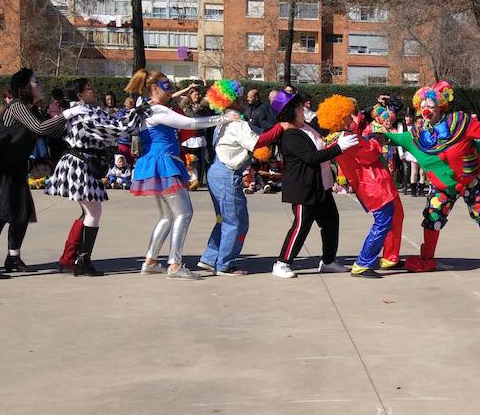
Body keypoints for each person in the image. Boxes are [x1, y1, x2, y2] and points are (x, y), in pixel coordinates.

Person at [379, 81, 480, 274]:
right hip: (443, 186)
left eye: (431, 105)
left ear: (441, 106)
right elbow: (394, 138)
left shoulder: (460, 123)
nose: (426, 109)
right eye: (423, 106)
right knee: (432, 216)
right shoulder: (417, 135)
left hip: (473, 179)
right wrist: (373, 134)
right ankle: (427, 258)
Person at [0, 69, 65, 279]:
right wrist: (66, 115)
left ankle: (13, 258)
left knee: (20, 213)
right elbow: (40, 127)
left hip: (15, 166)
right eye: (35, 82)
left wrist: (70, 120)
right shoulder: (18, 107)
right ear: (24, 88)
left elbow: (50, 130)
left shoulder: (31, 108)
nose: (40, 85)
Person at [45, 79, 151, 277]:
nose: (94, 90)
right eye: (89, 89)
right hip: (80, 164)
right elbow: (114, 129)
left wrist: (137, 110)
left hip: (85, 163)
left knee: (89, 212)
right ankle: (82, 260)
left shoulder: (90, 109)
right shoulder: (82, 114)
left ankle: (70, 259)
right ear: (79, 95)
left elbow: (113, 123)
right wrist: (138, 112)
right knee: (93, 212)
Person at [125, 70, 223, 280]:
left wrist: (178, 93)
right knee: (184, 213)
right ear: (153, 88)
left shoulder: (145, 108)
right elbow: (192, 124)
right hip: (164, 163)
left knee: (167, 216)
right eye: (166, 85)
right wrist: (223, 118)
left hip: (155, 164)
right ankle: (175, 265)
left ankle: (151, 261)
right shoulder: (159, 111)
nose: (171, 89)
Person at [197, 81, 284, 276]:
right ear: (232, 99)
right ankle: (224, 264)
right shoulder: (238, 123)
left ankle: (210, 259)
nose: (244, 99)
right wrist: (280, 128)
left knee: (223, 218)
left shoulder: (223, 121)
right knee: (236, 221)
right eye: (241, 96)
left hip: (216, 172)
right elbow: (257, 142)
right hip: (228, 174)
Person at [272, 90, 359, 278]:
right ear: (290, 112)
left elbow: (325, 132)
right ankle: (282, 263)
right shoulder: (290, 135)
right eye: (298, 107)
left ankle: (328, 261)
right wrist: (339, 147)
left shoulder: (306, 127)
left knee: (331, 221)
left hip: (321, 186)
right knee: (301, 225)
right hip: (304, 188)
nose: (302, 109)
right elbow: (311, 157)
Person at [317, 96, 403, 278]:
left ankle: (376, 259)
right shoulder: (348, 138)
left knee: (386, 220)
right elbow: (369, 154)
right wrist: (375, 141)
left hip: (370, 185)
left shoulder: (337, 138)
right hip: (375, 186)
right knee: (382, 222)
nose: (352, 118)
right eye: (349, 115)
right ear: (340, 118)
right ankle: (363, 262)